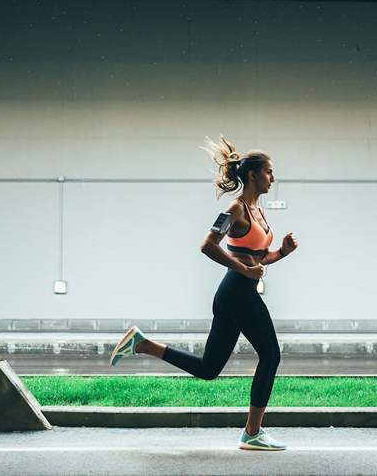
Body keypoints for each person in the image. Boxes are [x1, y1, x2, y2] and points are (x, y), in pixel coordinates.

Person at [109, 135, 298, 451]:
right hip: (237, 293)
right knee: (271, 354)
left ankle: (142, 344)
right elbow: (207, 245)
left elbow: (257, 258)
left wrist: (282, 252)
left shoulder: (258, 211)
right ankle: (252, 433)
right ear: (252, 175)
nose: (273, 178)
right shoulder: (235, 209)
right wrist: (244, 271)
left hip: (237, 292)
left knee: (209, 369)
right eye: (269, 172)